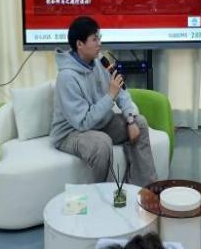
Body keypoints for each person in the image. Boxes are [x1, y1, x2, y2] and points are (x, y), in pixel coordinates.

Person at [50, 16, 157, 186]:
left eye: (99, 38)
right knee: (101, 144)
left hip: (99, 124)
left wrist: (130, 119)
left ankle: (144, 188)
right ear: (80, 44)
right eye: (94, 39)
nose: (99, 43)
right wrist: (110, 96)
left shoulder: (100, 62)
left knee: (140, 123)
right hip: (71, 133)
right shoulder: (67, 77)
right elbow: (83, 122)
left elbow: (121, 90)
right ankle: (104, 196)